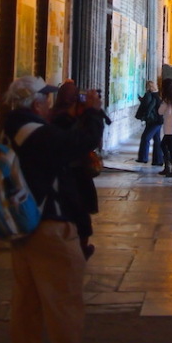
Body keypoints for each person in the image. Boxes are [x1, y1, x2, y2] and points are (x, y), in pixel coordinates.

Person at [2, 75, 111, 343]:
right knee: (64, 303)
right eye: (45, 100)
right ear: (35, 103)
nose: (49, 104)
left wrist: (72, 119)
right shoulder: (34, 132)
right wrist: (92, 112)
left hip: (26, 226)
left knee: (27, 304)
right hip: (49, 227)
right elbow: (79, 144)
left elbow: (56, 142)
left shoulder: (17, 127)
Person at [50, 79, 105, 260]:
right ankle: (78, 249)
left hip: (72, 174)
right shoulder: (61, 119)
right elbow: (88, 140)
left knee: (79, 214)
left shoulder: (56, 115)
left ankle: (79, 247)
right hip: (71, 175)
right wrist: (91, 114)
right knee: (79, 214)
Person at [136, 80, 164, 166]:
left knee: (145, 138)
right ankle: (158, 160)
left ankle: (143, 157)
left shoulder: (149, 95)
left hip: (154, 121)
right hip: (158, 120)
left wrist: (144, 116)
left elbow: (148, 106)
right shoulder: (157, 95)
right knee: (157, 140)